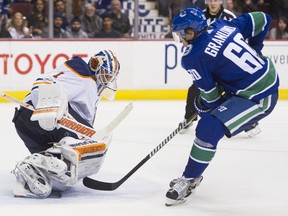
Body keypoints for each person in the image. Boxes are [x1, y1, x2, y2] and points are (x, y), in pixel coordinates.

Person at [165, 7, 279, 206]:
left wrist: (200, 106)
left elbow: (212, 99)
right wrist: (256, 48)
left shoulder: (192, 57)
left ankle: (190, 178)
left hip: (259, 96)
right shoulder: (222, 25)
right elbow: (263, 18)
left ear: (191, 31)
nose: (181, 40)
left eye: (182, 34)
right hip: (265, 77)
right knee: (211, 121)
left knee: (208, 127)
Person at [11, 50, 120, 198]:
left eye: (110, 77)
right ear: (96, 65)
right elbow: (42, 84)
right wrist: (47, 112)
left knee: (63, 179)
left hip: (29, 125)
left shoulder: (90, 86)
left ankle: (28, 171)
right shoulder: (83, 74)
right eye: (106, 74)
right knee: (85, 143)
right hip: (39, 117)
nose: (107, 80)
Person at [180, 0, 238, 134]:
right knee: (195, 89)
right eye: (210, 0)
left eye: (216, 0)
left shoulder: (229, 16)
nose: (213, 3)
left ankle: (248, 124)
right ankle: (189, 118)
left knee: (234, 91)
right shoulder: (199, 17)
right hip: (206, 63)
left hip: (225, 63)